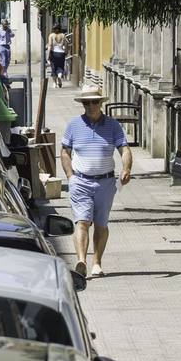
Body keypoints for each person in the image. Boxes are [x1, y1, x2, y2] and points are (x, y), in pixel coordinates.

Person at [60, 86, 133, 279]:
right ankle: (82, 261)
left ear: (101, 103)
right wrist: (70, 177)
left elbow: (124, 149)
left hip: (106, 183)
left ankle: (97, 263)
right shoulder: (73, 125)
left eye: (94, 102)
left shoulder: (113, 125)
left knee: (101, 224)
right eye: (86, 102)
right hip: (80, 181)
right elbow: (65, 151)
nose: (90, 106)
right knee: (82, 222)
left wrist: (126, 168)